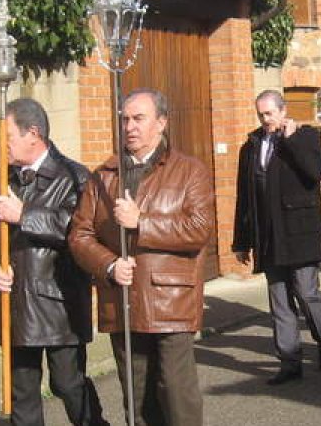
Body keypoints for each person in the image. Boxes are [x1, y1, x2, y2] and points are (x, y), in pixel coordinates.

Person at [70, 89, 214, 426]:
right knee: (136, 399)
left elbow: (199, 229)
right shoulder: (103, 176)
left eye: (139, 118)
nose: (130, 126)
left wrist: (142, 223)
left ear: (161, 123)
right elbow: (79, 235)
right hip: (122, 299)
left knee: (177, 396)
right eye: (125, 119)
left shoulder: (189, 171)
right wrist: (108, 264)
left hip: (170, 301)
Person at [0, 98, 105, 426]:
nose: (3, 145)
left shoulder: (74, 177)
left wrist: (25, 215)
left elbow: (81, 230)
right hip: (13, 304)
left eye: (9, 137)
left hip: (59, 303)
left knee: (69, 384)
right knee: (22, 393)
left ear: (34, 133)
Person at [232, 90, 321, 385]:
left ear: (283, 110)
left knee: (306, 292)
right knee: (279, 299)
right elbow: (245, 197)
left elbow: (315, 172)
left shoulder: (305, 137)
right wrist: (242, 240)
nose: (265, 120)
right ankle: (289, 361)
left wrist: (290, 141)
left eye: (269, 114)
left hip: (299, 232)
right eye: (260, 114)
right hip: (268, 236)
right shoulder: (250, 147)